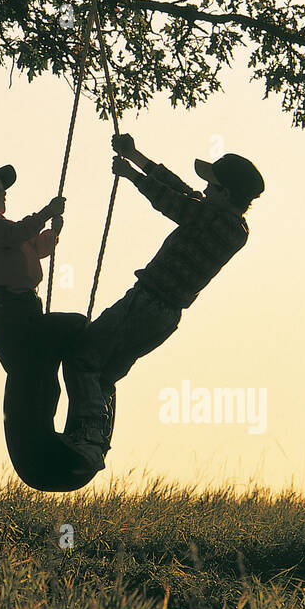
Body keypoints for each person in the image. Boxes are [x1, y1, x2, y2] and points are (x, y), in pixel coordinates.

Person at [65, 134, 265, 463]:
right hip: (165, 318)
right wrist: (136, 156)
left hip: (146, 302)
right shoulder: (232, 227)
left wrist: (131, 175)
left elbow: (171, 200)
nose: (204, 191)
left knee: (82, 358)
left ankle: (86, 435)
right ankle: (96, 441)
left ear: (225, 193)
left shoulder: (214, 221)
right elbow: (182, 191)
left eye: (212, 187)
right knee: (106, 374)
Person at [0, 165, 111, 491]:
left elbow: (35, 248)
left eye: (3, 188)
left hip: (25, 306)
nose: (3, 193)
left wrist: (50, 234)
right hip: (11, 311)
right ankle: (84, 419)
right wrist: (44, 214)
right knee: (62, 339)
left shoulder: (5, 230)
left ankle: (65, 427)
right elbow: (15, 236)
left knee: (41, 374)